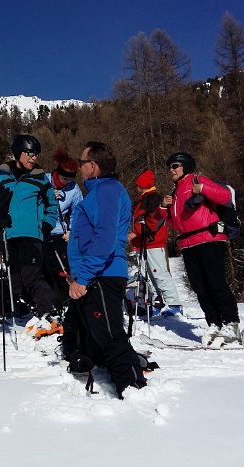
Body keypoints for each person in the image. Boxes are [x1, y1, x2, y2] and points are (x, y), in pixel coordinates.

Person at [66, 141, 147, 398]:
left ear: (93, 166)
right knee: (93, 331)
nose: (79, 168)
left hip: (103, 274)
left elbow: (106, 238)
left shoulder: (107, 190)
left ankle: (133, 386)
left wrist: (85, 276)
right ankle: (101, 365)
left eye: (81, 163)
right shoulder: (99, 191)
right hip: (95, 274)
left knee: (110, 334)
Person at [158, 152, 240, 345]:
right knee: (200, 287)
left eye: (175, 165)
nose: (171, 169)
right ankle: (214, 323)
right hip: (188, 243)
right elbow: (176, 222)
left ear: (185, 166)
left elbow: (225, 195)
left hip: (209, 238)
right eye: (170, 166)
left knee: (216, 283)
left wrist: (203, 188)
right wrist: (163, 207)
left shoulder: (197, 180)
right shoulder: (175, 192)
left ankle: (231, 324)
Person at [0, 134, 60, 333]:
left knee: (32, 275)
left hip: (31, 234)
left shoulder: (40, 178)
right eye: (30, 154)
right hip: (8, 234)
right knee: (14, 276)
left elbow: (52, 205)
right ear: (18, 153)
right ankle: (19, 309)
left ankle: (48, 312)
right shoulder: (0, 178)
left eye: (36, 154)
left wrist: (47, 224)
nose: (33, 158)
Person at [128, 169, 183, 318]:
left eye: (139, 185)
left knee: (159, 274)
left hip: (153, 242)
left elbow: (155, 220)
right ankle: (157, 303)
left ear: (144, 185)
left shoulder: (153, 198)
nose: (137, 187)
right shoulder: (142, 199)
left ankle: (174, 304)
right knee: (147, 276)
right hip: (142, 244)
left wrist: (137, 232)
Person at [44, 148, 83, 308]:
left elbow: (78, 211)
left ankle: (64, 302)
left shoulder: (74, 189)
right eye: (64, 177)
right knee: (43, 267)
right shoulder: (44, 180)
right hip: (40, 231)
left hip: (60, 233)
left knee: (62, 269)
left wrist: (72, 230)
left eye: (70, 179)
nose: (66, 181)